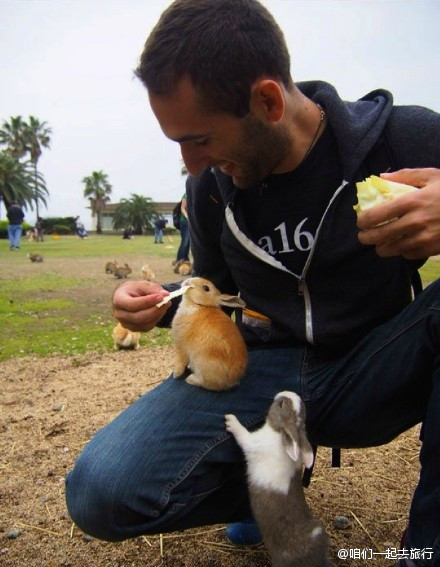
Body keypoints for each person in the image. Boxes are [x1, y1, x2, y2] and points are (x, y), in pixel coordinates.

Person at [65, 2, 440, 565]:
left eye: (199, 139)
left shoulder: (403, 139)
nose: (192, 166)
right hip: (266, 375)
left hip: (374, 366)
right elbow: (211, 288)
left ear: (267, 101)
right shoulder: (212, 188)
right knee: (98, 493)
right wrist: (162, 303)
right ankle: (269, 484)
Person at [173, 190, 190, 262]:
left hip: (191, 223)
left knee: (188, 242)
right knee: (185, 241)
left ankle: (185, 258)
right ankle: (180, 259)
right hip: (184, 221)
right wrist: (187, 217)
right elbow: (182, 208)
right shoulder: (186, 194)